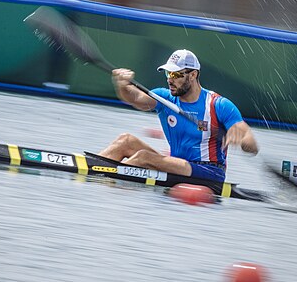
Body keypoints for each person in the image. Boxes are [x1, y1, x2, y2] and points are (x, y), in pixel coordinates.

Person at [98, 49, 258, 182]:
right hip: (177, 164)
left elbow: (251, 144)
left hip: (209, 171)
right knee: (125, 141)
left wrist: (242, 141)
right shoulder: (165, 97)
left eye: (175, 75)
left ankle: (103, 178)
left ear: (193, 75)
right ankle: (90, 168)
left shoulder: (219, 105)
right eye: (168, 73)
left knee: (144, 157)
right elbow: (136, 98)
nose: (169, 79)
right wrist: (122, 85)